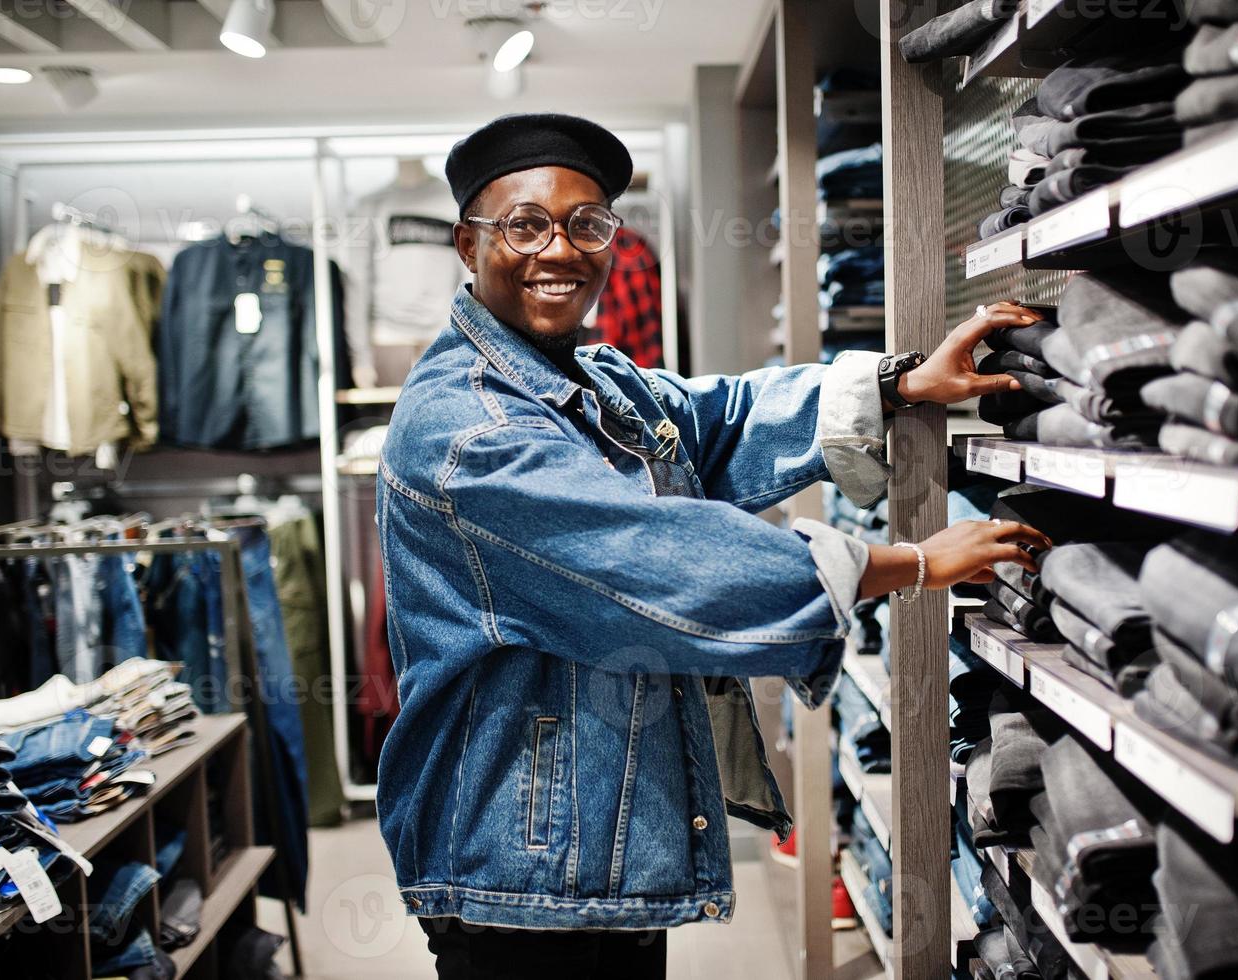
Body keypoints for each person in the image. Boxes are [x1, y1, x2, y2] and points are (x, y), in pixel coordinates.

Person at [376, 112, 1050, 979]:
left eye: (586, 224)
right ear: (468, 248)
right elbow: (654, 560)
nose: (560, 249)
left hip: (584, 835)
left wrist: (898, 384)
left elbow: (713, 420)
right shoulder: (468, 429)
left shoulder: (588, 374)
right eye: (525, 225)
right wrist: (911, 563)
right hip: (522, 853)